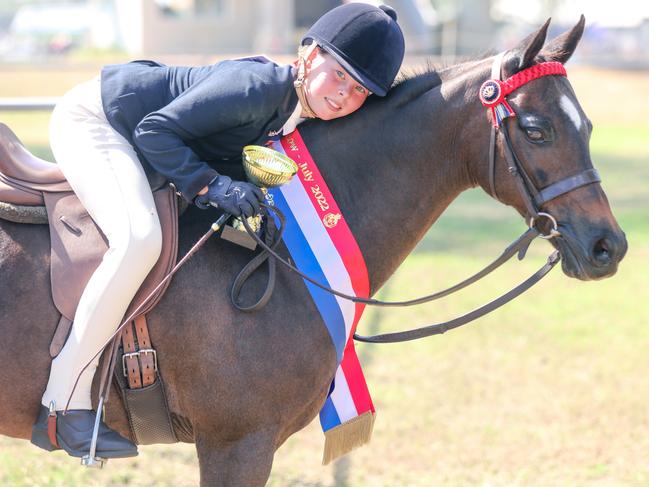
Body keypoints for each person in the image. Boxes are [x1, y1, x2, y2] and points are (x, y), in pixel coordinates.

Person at [31, 3, 405, 459]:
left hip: (135, 129)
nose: (346, 94)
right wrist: (214, 186)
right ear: (308, 54)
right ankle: (63, 402)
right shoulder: (256, 88)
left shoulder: (295, 109)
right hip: (99, 121)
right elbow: (155, 132)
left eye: (361, 90)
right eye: (341, 74)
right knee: (138, 238)